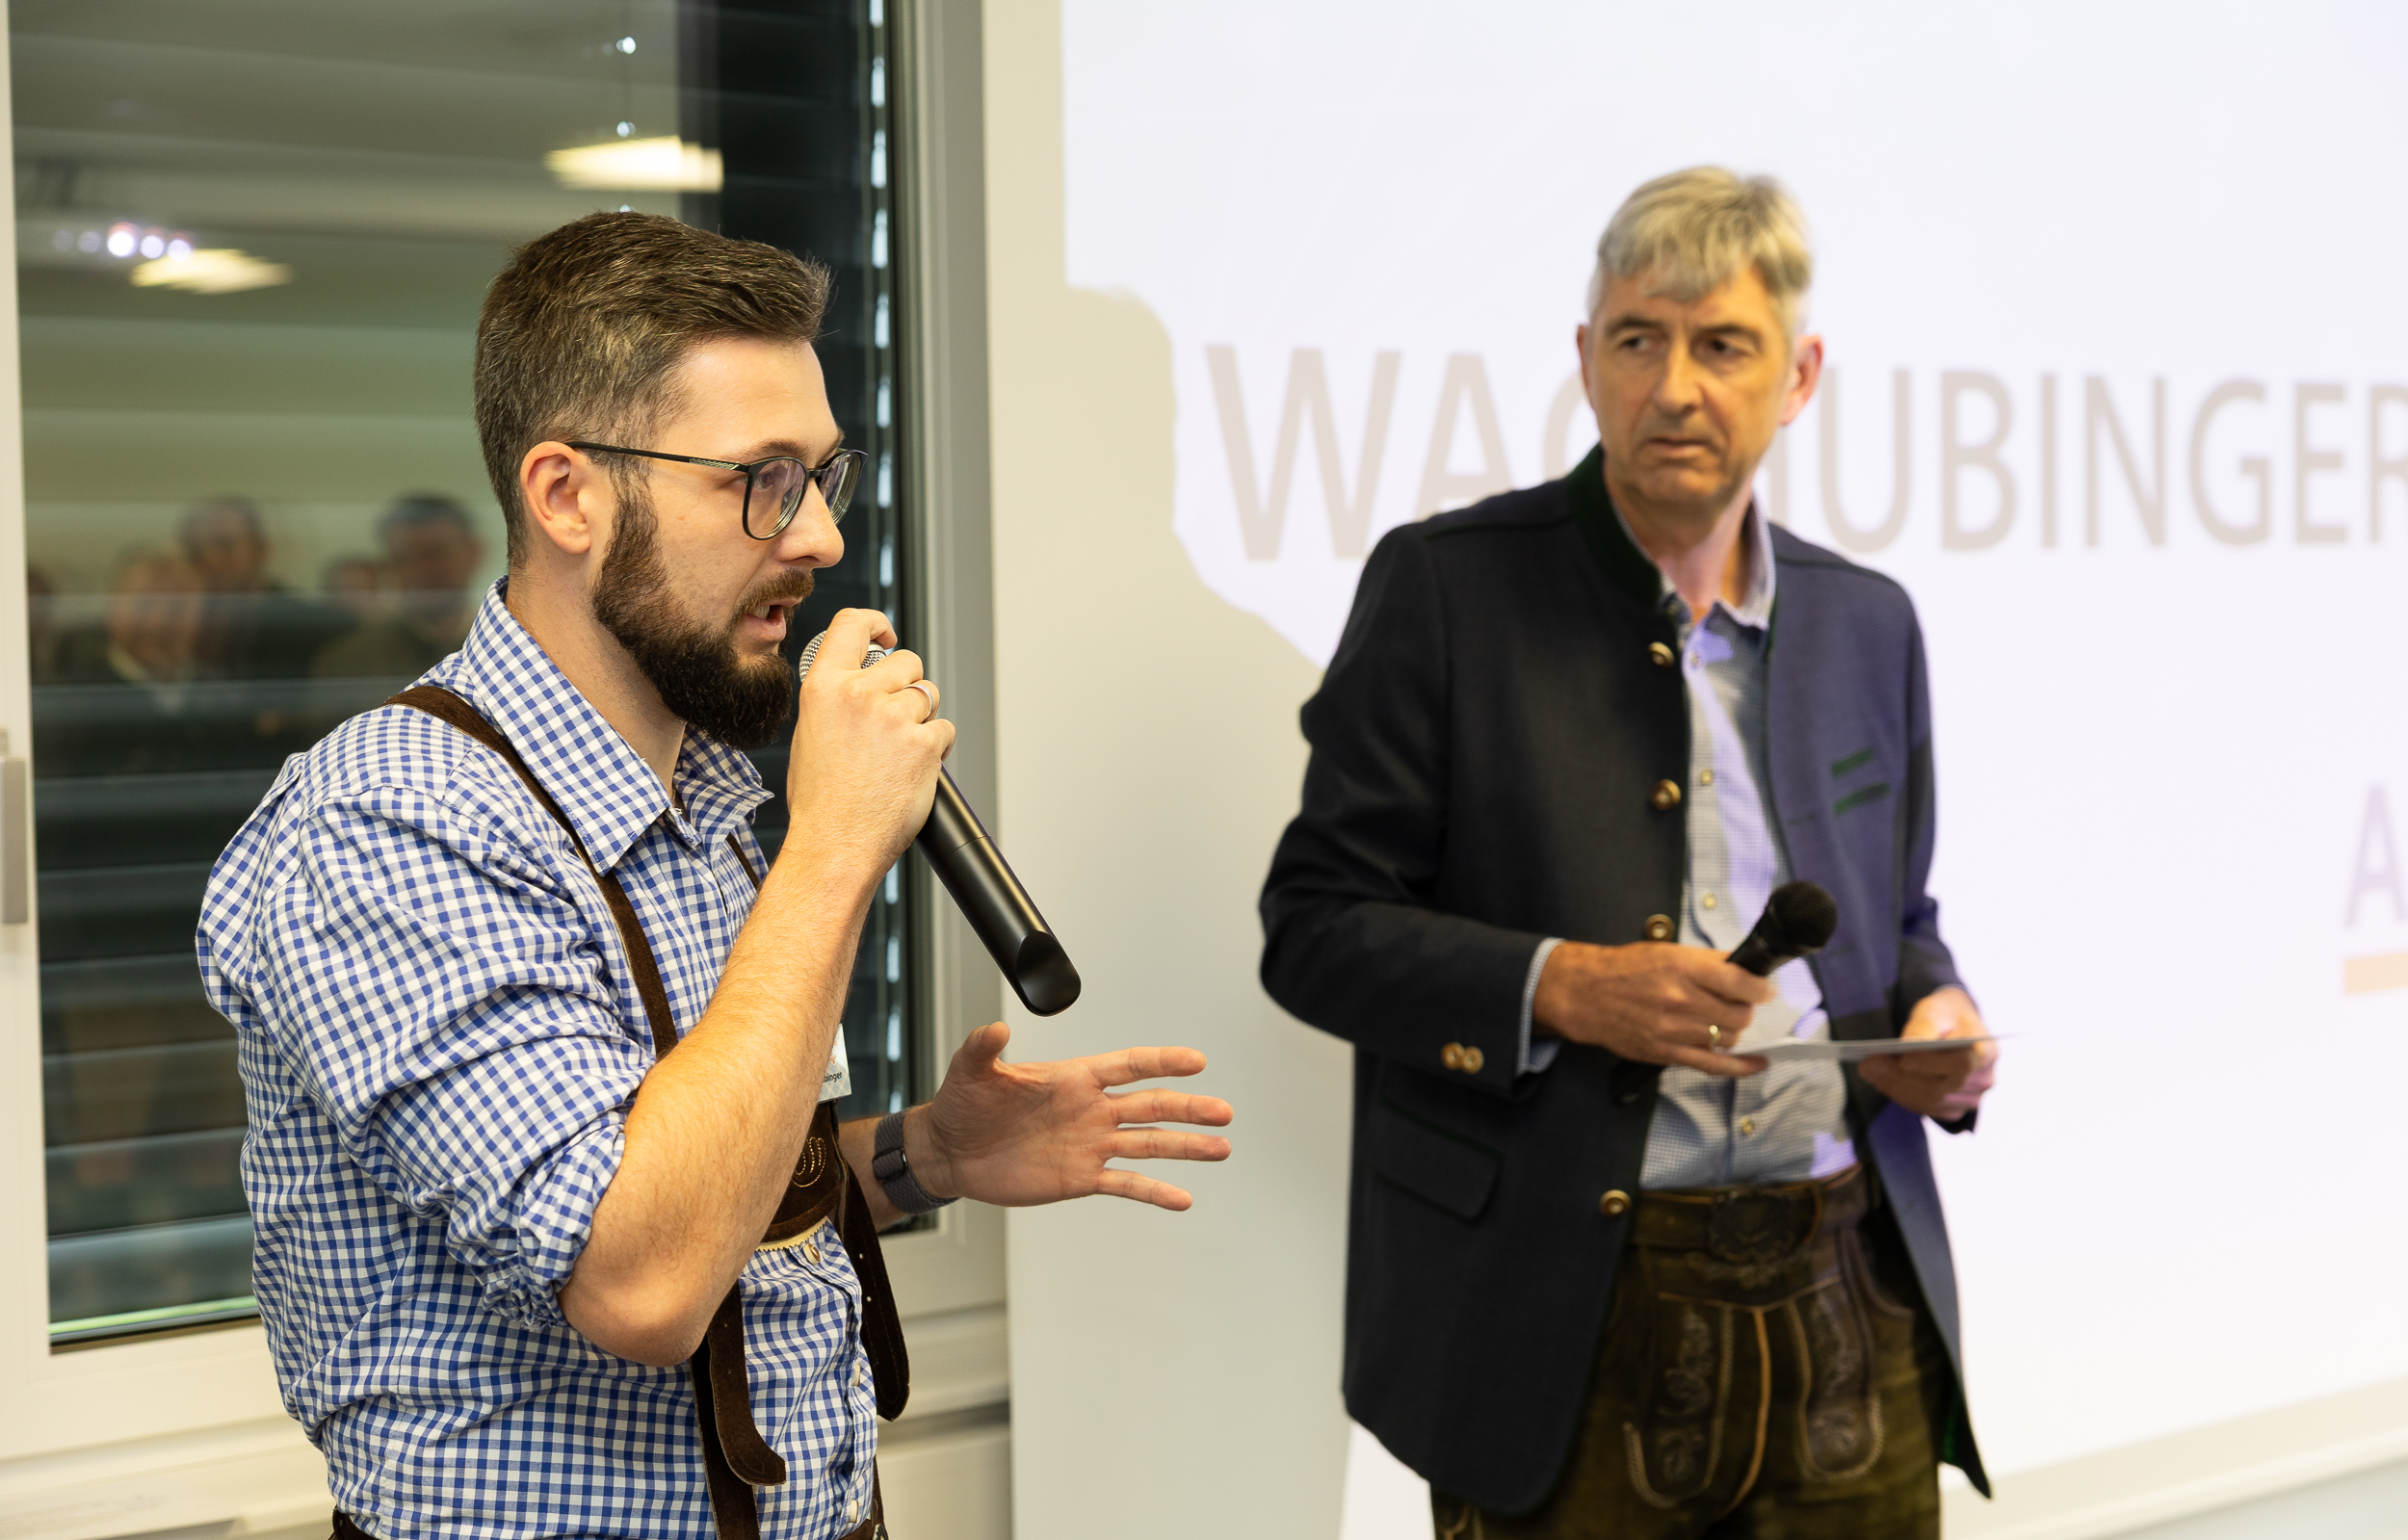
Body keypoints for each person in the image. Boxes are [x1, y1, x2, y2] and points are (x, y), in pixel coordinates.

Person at [197, 212, 1236, 1540]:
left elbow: (714, 1172)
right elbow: (639, 1277)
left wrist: (923, 1154)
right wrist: (834, 847)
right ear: (567, 496)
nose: (820, 538)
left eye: (822, 475)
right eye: (761, 479)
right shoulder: (390, 825)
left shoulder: (707, 794)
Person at [1259, 169, 1998, 1538]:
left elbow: (1900, 919)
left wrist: (1934, 1014)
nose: (1675, 387)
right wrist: (1562, 984)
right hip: (1561, 1313)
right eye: (1638, 339)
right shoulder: (1448, 589)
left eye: (1723, 345)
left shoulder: (1869, 621)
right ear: (1586, 358)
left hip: (1850, 1291)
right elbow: (1312, 929)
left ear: (1798, 376)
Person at [309, 494, 487, 680]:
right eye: (405, 558)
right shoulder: (349, 661)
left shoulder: (502, 644)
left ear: (474, 553)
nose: (421, 569)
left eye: (436, 554)